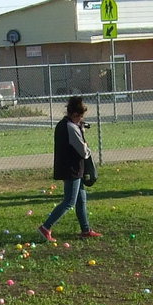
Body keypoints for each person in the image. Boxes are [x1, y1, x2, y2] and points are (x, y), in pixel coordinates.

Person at [38, 95, 102, 241]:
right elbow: (83, 151)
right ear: (74, 114)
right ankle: (46, 227)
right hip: (71, 168)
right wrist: (83, 135)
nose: (81, 119)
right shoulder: (71, 127)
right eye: (79, 116)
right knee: (69, 202)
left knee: (81, 199)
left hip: (72, 167)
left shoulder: (64, 124)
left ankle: (85, 229)